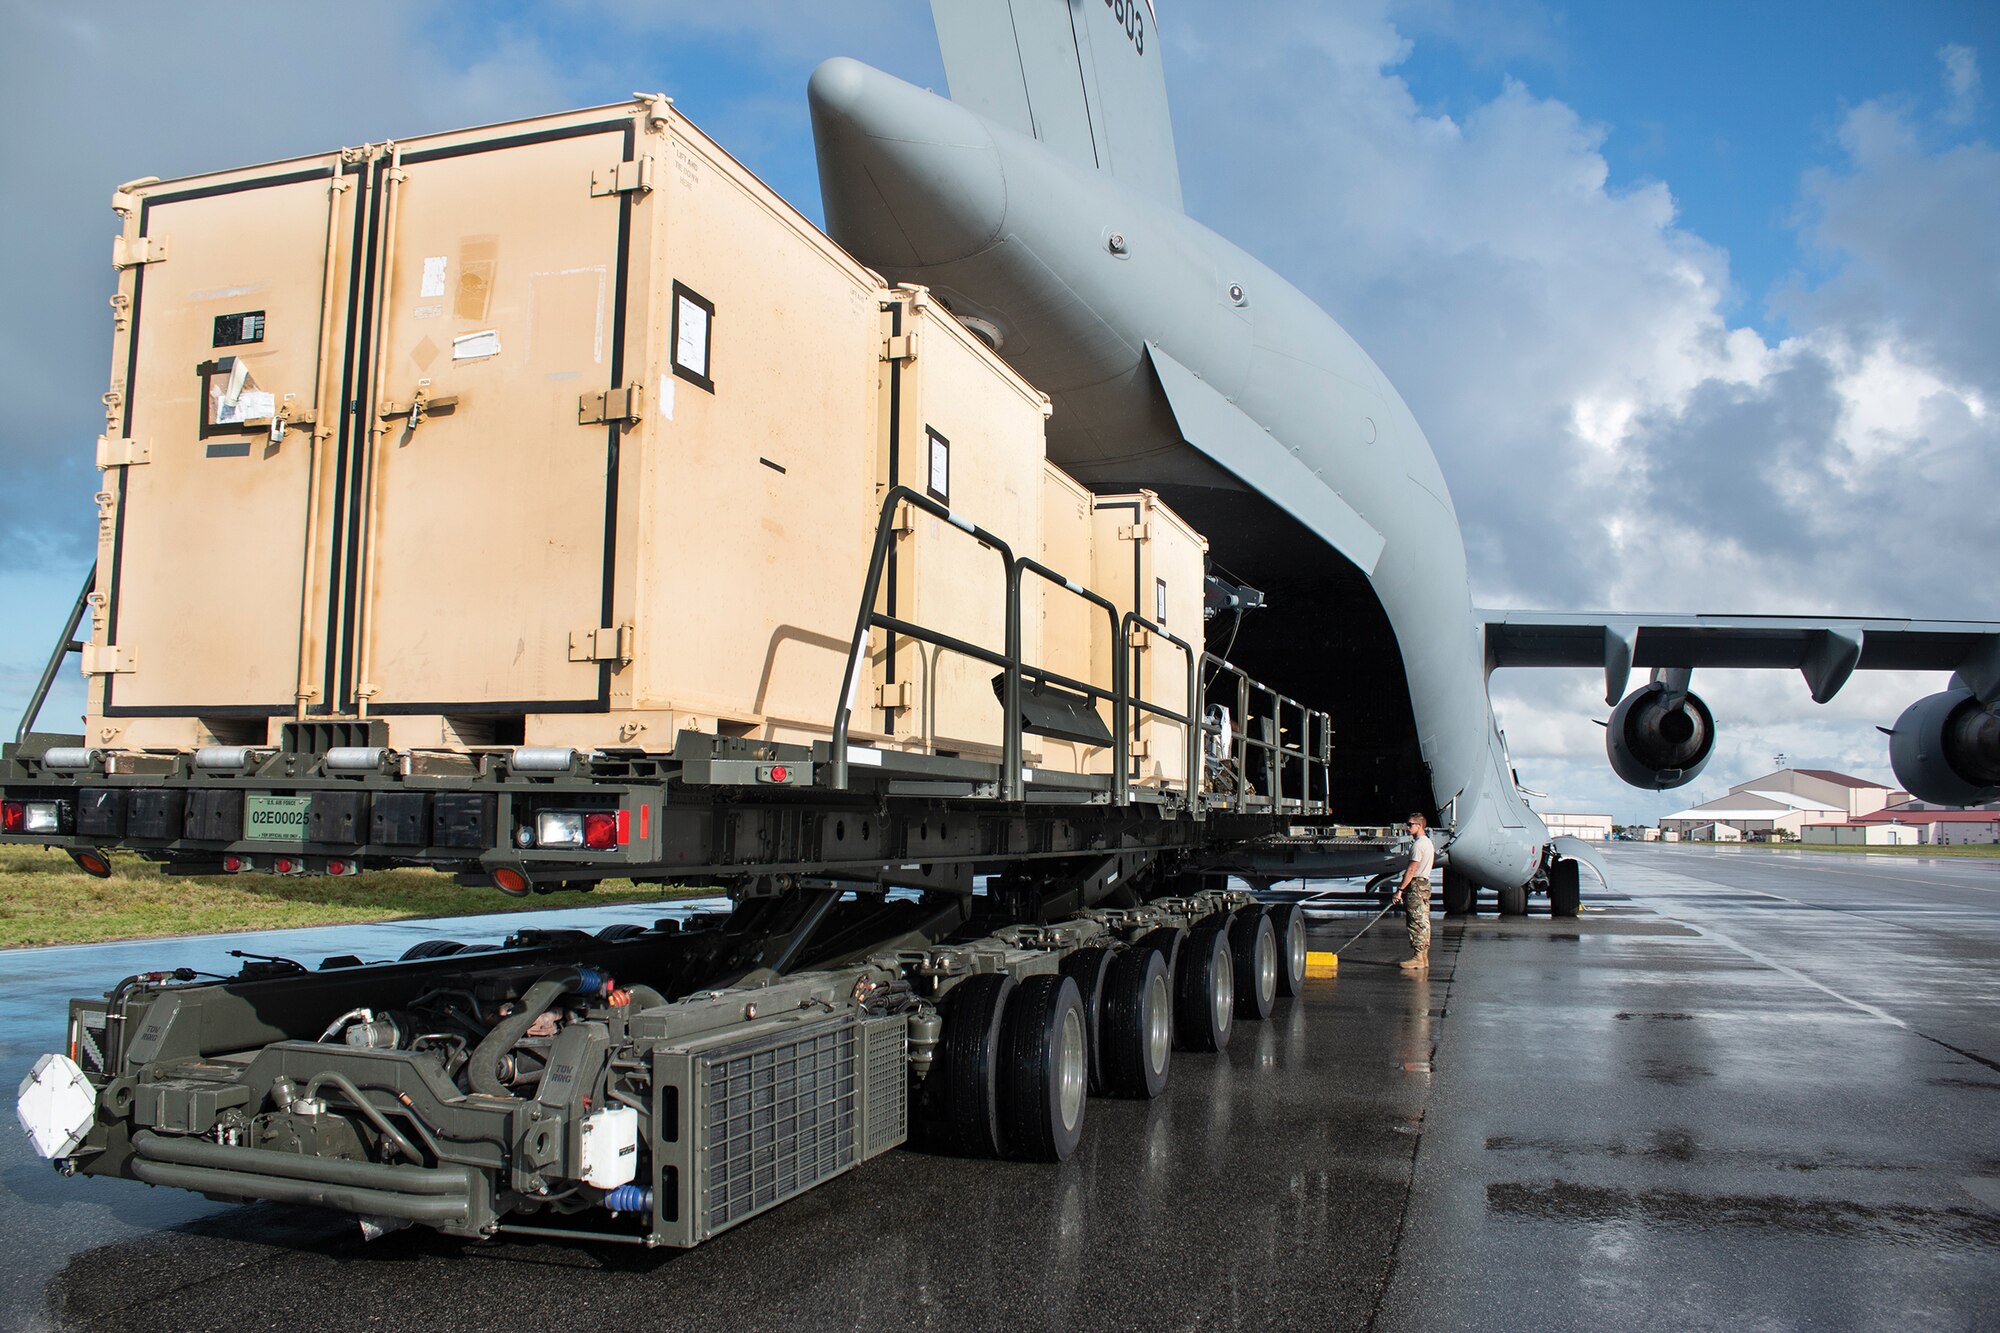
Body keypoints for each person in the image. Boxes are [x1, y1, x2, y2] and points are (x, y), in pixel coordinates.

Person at [1396, 812, 1435, 971]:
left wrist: (1399, 890)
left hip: (1416, 885)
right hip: (1424, 883)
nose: (1407, 827)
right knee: (1423, 919)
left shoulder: (1418, 845)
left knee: (1416, 921)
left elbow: (1411, 869)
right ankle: (1423, 956)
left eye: (1410, 824)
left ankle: (1419, 957)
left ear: (1419, 825)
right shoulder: (1428, 843)